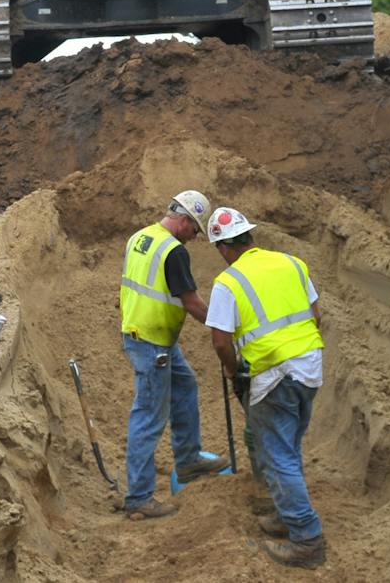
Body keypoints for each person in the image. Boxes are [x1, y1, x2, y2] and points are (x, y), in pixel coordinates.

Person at [204, 207, 327, 569]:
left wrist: (233, 371)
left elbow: (221, 342)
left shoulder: (228, 282)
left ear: (223, 248)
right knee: (287, 447)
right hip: (309, 368)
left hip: (273, 375)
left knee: (279, 455)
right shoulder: (292, 263)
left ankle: (306, 539)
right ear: (249, 237)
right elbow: (316, 315)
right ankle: (284, 514)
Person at [118, 189, 229, 518]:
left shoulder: (140, 237)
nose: (194, 238)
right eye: (195, 230)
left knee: (185, 386)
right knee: (149, 416)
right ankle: (139, 497)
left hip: (147, 335)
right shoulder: (173, 252)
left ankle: (188, 459)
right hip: (152, 343)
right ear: (183, 220)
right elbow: (191, 302)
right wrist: (223, 326)